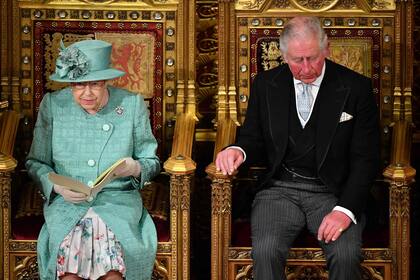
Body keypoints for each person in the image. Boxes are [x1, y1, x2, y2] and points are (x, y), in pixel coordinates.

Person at [215, 16, 380, 280]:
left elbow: (367, 159)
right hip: (279, 191)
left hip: (332, 193)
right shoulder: (266, 84)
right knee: (267, 251)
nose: (306, 68)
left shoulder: (356, 87)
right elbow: (252, 137)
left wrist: (345, 210)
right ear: (283, 55)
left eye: (312, 58)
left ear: (326, 49)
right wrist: (237, 150)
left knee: (346, 254)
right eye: (296, 60)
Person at [26, 39, 160, 280]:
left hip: (117, 203)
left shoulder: (130, 104)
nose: (86, 93)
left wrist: (135, 167)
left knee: (113, 274)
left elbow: (151, 161)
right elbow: (36, 162)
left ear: (107, 81)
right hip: (68, 205)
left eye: (95, 85)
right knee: (68, 274)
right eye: (78, 85)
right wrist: (56, 185)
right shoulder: (54, 105)